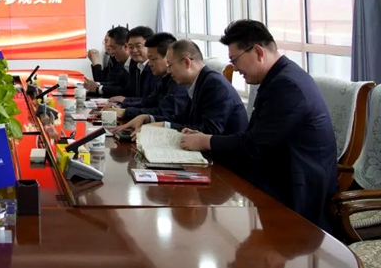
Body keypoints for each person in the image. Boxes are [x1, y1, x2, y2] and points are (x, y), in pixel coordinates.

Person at [180, 20, 338, 232]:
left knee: (213, 205)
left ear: (258, 52)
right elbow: (255, 138)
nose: (235, 69)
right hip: (276, 174)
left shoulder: (287, 85)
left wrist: (205, 141)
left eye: (235, 60)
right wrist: (203, 139)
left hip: (295, 190)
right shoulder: (279, 77)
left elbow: (254, 146)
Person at [116, 39, 248, 136]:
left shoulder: (214, 85)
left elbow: (209, 131)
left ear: (186, 62)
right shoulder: (198, 82)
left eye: (170, 65)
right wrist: (148, 118)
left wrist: (164, 127)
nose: (168, 71)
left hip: (224, 162)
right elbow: (181, 119)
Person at [107, 33, 187, 122]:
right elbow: (147, 102)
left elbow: (164, 113)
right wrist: (121, 106)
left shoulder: (180, 82)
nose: (149, 64)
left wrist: (125, 111)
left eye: (153, 59)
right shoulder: (165, 79)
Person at [87, 26, 159, 98]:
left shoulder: (154, 69)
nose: (134, 50)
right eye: (131, 47)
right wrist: (97, 85)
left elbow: (129, 93)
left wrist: (99, 88)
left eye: (138, 46)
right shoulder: (138, 66)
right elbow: (121, 86)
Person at [87, 26, 129, 91]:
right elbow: (107, 82)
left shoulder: (121, 60)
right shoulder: (111, 59)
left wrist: (96, 63)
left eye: (113, 46)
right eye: (105, 41)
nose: (107, 45)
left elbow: (107, 81)